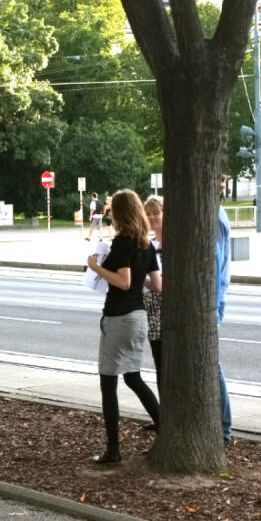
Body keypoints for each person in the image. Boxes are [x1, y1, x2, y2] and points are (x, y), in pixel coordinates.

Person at [85, 189, 162, 465]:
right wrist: (136, 275)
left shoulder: (122, 243)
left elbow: (123, 281)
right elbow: (156, 285)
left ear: (119, 213)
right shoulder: (146, 244)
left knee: (108, 382)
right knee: (133, 377)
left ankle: (113, 448)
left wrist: (95, 267)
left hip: (118, 317)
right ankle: (163, 426)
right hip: (139, 317)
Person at [142, 195, 164, 421]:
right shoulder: (151, 243)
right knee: (159, 367)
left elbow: (162, 285)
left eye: (156, 212)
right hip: (152, 311)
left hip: (166, 312)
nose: (152, 217)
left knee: (168, 369)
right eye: (148, 214)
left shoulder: (171, 243)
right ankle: (163, 417)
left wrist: (143, 279)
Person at [216, 175, 233, 445]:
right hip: (213, 297)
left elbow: (214, 261)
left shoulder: (214, 218)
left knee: (209, 363)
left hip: (211, 299)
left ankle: (225, 428)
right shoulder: (216, 214)